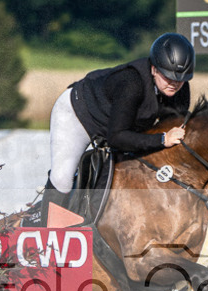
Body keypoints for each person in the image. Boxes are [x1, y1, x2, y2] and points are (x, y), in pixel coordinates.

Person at [34, 32, 195, 223]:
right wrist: (162, 139)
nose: (174, 83)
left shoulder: (179, 88)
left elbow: (173, 130)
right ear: (153, 69)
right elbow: (117, 137)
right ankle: (44, 236)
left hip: (118, 124)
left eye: (181, 78)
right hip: (79, 115)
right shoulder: (131, 83)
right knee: (63, 177)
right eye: (168, 76)